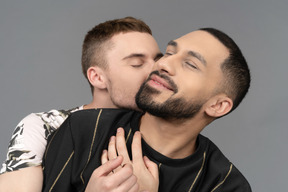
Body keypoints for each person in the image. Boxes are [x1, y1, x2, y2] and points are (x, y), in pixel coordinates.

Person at [42, 28, 252, 192]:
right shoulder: (83, 130)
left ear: (217, 105)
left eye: (190, 64)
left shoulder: (225, 185)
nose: (164, 63)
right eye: (169, 52)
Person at [0, 17, 162, 192]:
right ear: (97, 77)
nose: (156, 71)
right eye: (137, 64)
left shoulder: (166, 132)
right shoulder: (43, 127)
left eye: (158, 61)